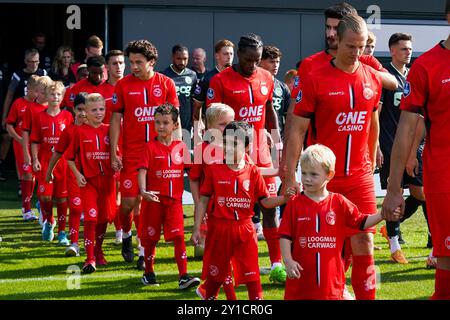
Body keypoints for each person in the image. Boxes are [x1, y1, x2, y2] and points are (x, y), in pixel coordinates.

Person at [283, 14, 383, 300]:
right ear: (336, 41)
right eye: (351, 46)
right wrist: (290, 176)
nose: (357, 53)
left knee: (364, 240)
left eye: (362, 46)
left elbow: (372, 119)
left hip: (360, 176)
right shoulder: (315, 77)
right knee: (323, 245)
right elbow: (296, 131)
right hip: (325, 177)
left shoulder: (372, 78)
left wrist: (372, 151)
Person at [382, 0, 450, 300]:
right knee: (447, 256)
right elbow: (406, 130)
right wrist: (394, 187)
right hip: (444, 175)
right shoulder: (427, 66)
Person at [206, 33, 285, 284]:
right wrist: (214, 149)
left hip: (261, 150)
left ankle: (276, 264)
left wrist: (276, 139)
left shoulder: (266, 77)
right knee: (232, 212)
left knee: (269, 205)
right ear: (238, 54)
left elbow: (269, 108)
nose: (253, 64)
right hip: (232, 153)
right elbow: (211, 119)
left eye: (257, 60)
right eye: (249, 59)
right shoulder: (220, 81)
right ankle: (226, 265)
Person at [279, 144, 399, 300]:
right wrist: (288, 261)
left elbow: (361, 222)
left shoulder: (339, 202)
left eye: (314, 174)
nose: (307, 179)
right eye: (304, 173)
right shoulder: (295, 203)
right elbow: (284, 236)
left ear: (329, 175)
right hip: (300, 283)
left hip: (332, 286)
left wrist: (383, 214)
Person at [191, 120, 293, 300]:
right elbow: (203, 200)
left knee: (252, 277)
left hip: (245, 231)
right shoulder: (214, 170)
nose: (229, 147)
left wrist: (284, 198)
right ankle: (207, 294)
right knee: (216, 276)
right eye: (226, 142)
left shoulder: (253, 172)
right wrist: (197, 227)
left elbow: (266, 202)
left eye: (235, 143)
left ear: (247, 147)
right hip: (220, 231)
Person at [110, 40, 179, 264]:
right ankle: (127, 234)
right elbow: (115, 119)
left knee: (149, 205)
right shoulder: (122, 86)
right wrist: (113, 151)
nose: (134, 66)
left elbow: (175, 121)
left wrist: (175, 152)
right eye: (131, 62)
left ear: (152, 62)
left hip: (159, 155)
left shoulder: (166, 84)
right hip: (132, 154)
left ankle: (143, 251)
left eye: (139, 62)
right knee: (128, 203)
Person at [377, 33, 430, 264]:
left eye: (409, 49)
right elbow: (375, 114)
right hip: (390, 144)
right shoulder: (385, 76)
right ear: (391, 51)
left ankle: (430, 236)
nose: (408, 52)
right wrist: (376, 145)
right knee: (395, 192)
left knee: (421, 194)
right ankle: (395, 244)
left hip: (414, 145)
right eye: (403, 49)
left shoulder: (413, 74)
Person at [138, 103, 200, 289]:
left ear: (175, 125)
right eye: (157, 122)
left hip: (174, 203)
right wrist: (143, 191)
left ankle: (183, 276)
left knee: (179, 237)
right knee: (151, 239)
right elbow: (142, 170)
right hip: (154, 201)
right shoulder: (149, 147)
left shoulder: (180, 147)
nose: (161, 126)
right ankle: (148, 272)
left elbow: (195, 171)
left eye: (165, 122)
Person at [189, 103, 237, 299]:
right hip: (212, 210)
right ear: (209, 127)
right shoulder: (203, 149)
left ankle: (208, 288)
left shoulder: (236, 147)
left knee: (228, 251)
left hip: (232, 210)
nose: (228, 128)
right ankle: (212, 288)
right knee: (216, 252)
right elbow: (193, 179)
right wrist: (199, 205)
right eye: (223, 124)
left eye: (231, 123)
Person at [66, 93, 116, 273]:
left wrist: (117, 160)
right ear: (85, 112)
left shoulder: (110, 129)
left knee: (103, 219)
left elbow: (117, 153)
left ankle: (98, 250)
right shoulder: (79, 131)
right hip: (89, 183)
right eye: (94, 110)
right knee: (91, 218)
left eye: (101, 109)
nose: (98, 113)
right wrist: (77, 174)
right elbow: (69, 158)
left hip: (108, 182)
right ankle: (89, 259)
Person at [30, 81, 73, 244]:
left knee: (62, 199)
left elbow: (72, 141)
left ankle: (62, 232)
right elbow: (34, 140)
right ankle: (49, 221)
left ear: (62, 97)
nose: (55, 97)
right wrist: (35, 159)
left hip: (62, 163)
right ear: (46, 96)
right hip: (45, 161)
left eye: (59, 95)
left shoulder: (68, 116)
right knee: (45, 197)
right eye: (52, 94)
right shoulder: (39, 117)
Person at [46, 93, 87, 257]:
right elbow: (57, 153)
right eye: (79, 109)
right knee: (76, 209)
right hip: (74, 177)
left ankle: (96, 246)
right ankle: (75, 243)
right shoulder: (69, 131)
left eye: (86, 109)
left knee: (97, 214)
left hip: (96, 177)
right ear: (73, 110)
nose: (83, 113)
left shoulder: (98, 128)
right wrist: (49, 172)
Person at [1, 49, 47, 180]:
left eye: (36, 61)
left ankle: (40, 180)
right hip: (22, 109)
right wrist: (4, 116)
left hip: (39, 110)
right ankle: (23, 181)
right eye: (31, 62)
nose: (34, 65)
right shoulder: (18, 75)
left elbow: (50, 91)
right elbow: (9, 95)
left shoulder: (43, 73)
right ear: (25, 61)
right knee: (20, 150)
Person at [5, 75, 39, 220]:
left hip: (37, 146)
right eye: (37, 90)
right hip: (21, 145)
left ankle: (38, 205)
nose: (38, 94)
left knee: (36, 176)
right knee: (27, 175)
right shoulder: (18, 103)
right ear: (29, 88)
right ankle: (26, 210)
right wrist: (19, 139)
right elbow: (9, 125)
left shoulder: (42, 105)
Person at [21, 76, 52, 224]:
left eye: (48, 92)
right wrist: (27, 154)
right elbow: (25, 131)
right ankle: (33, 210)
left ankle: (43, 208)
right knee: (35, 178)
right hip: (34, 151)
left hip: (48, 152)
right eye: (43, 92)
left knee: (45, 182)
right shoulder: (30, 108)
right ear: (36, 92)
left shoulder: (53, 108)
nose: (46, 96)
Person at [103, 49, 126, 247]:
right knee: (110, 192)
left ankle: (122, 229)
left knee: (126, 192)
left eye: (121, 63)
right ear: (107, 67)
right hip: (106, 148)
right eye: (114, 63)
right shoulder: (100, 92)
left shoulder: (129, 86)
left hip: (129, 147)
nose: (118, 67)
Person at [192, 39, 234, 139]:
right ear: (217, 56)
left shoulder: (238, 76)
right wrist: (197, 127)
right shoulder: (207, 78)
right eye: (225, 54)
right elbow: (197, 106)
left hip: (235, 127)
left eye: (231, 54)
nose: (229, 57)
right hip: (214, 129)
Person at [162, 44, 197, 134]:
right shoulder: (164, 76)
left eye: (185, 59)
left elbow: (195, 101)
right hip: (169, 123)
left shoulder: (192, 75)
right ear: (172, 57)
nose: (182, 62)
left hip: (186, 123)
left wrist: (195, 122)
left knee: (185, 147)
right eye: (179, 59)